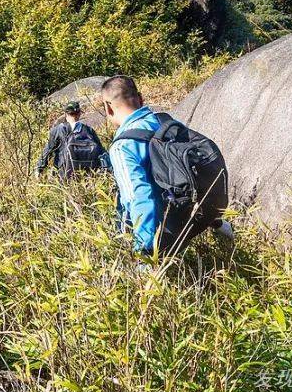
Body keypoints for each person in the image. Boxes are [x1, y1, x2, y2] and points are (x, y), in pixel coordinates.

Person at [100, 75, 233, 256]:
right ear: (140, 98)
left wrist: (145, 252)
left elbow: (137, 196)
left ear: (108, 107)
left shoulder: (122, 146)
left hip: (167, 229)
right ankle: (219, 226)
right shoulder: (165, 122)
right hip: (197, 214)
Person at [36, 101, 107, 178]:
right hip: (88, 174)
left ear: (66, 114)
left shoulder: (58, 129)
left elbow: (48, 150)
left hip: (64, 173)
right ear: (79, 113)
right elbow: (101, 152)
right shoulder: (89, 130)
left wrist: (40, 168)